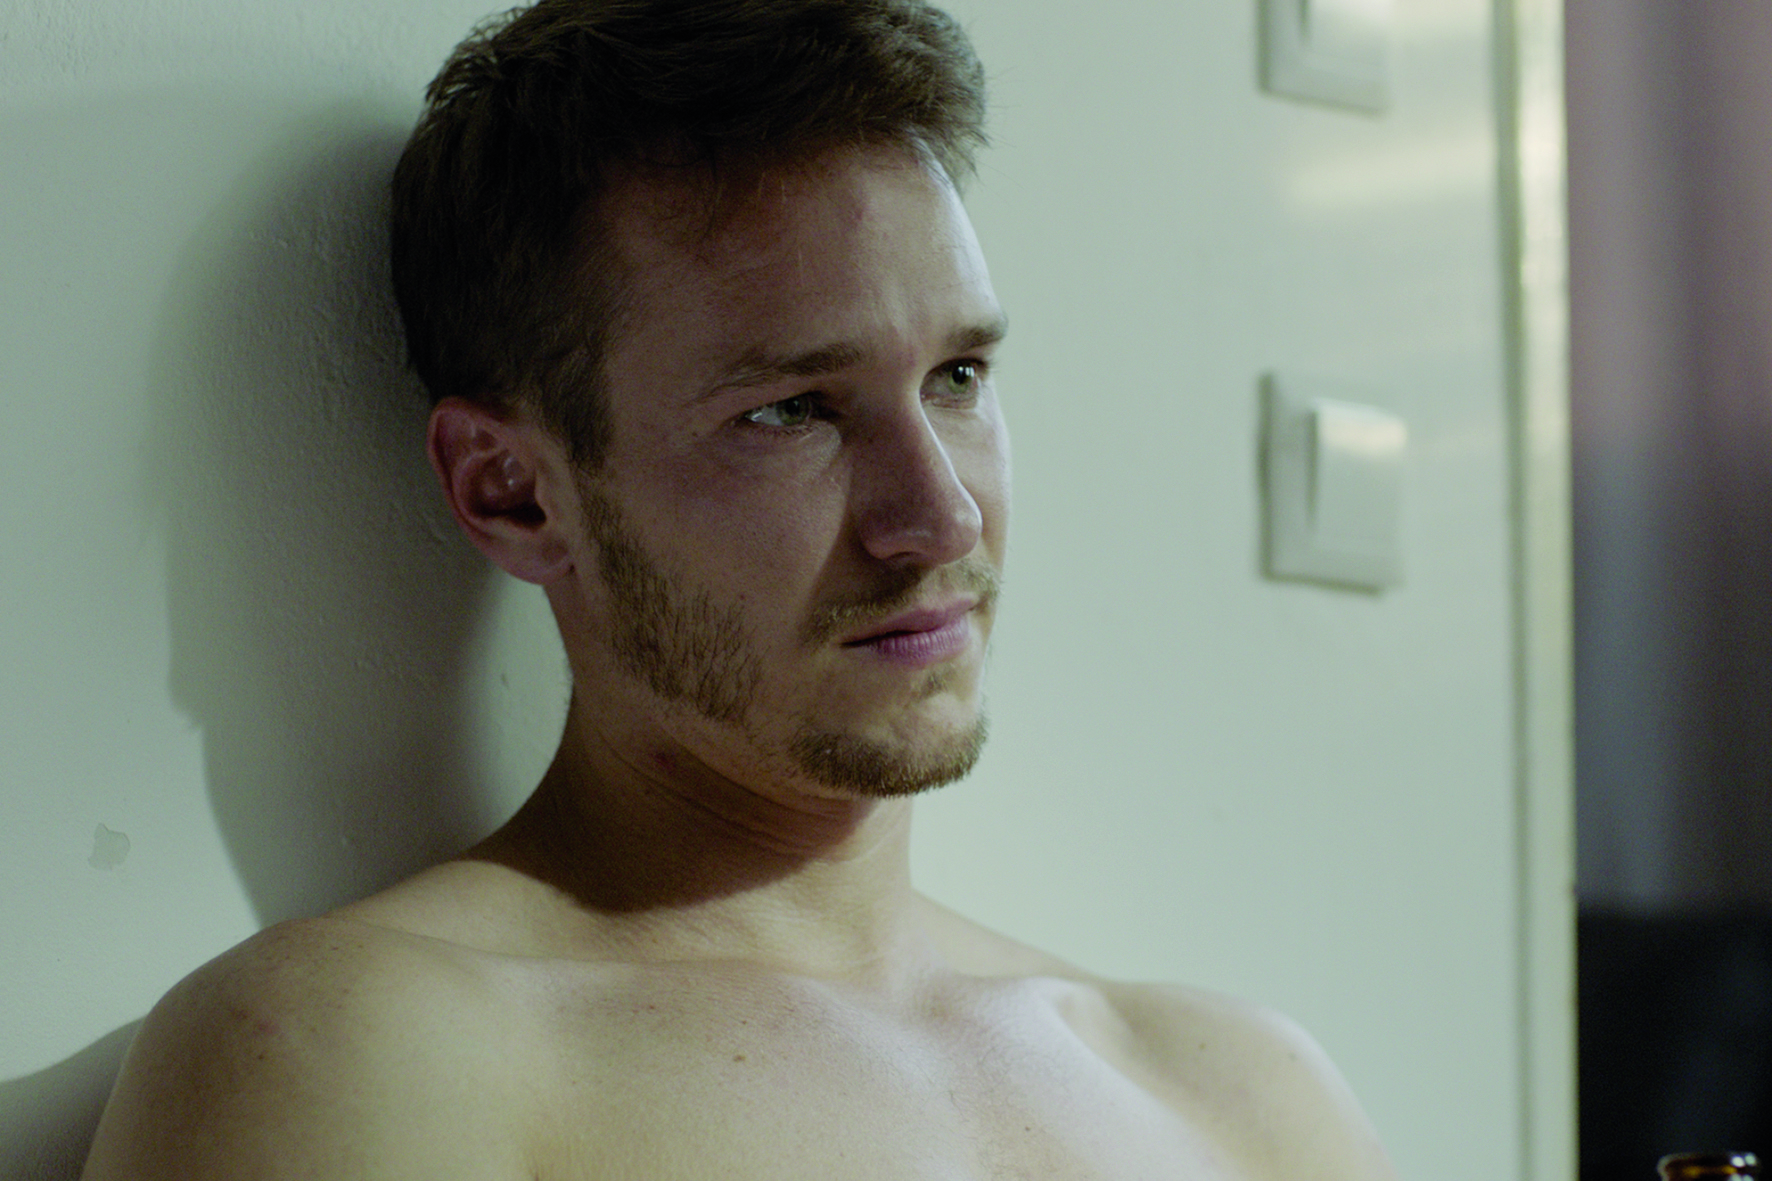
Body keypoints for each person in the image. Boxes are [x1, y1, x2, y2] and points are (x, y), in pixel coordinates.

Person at [84, 1, 1397, 1177]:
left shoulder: (1241, 1097)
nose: (940, 516)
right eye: (791, 412)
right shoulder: (362, 1053)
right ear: (513, 493)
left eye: (958, 378)